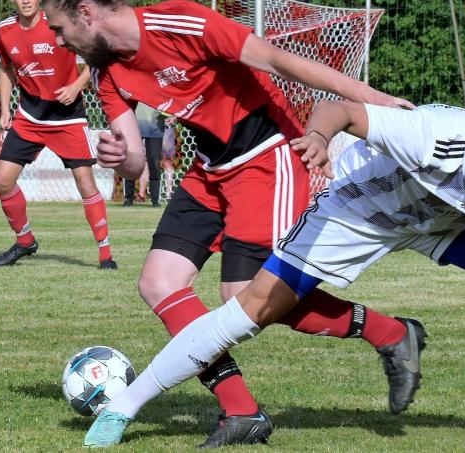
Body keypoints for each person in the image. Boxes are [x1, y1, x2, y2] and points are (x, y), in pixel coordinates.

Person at [82, 94, 465, 452]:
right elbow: (341, 109)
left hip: (443, 224)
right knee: (250, 309)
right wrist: (319, 138)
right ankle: (124, 407)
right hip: (361, 209)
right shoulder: (432, 131)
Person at [42, 0, 421, 447]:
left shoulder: (180, 21)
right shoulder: (106, 72)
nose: (58, 41)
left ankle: (391, 333)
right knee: (158, 283)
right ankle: (241, 410)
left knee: (244, 296)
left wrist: (371, 99)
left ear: (86, 12)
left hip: (267, 157)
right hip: (210, 170)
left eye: (60, 29)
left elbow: (279, 61)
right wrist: (119, 158)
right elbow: (135, 162)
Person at [0, 0, 116, 269]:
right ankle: (25, 241)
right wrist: (4, 108)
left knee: (85, 183)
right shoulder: (4, 30)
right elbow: (6, 68)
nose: (26, 1)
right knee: (2, 180)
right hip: (30, 117)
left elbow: (96, 57)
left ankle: (106, 255)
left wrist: (76, 86)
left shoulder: (61, 23)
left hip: (68, 117)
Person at [122, 103, 165, 207]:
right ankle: (128, 199)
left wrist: (173, 115)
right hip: (134, 127)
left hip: (155, 127)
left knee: (154, 164)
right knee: (131, 162)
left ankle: (155, 200)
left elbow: (171, 100)